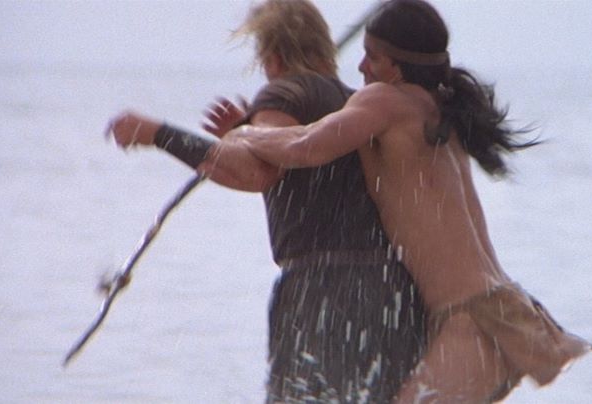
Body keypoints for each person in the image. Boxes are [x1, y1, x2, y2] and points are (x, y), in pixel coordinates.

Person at [216, 0, 592, 402]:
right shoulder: (437, 111)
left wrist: (242, 134)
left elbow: (306, 146)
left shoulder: (384, 101)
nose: (361, 66)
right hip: (501, 311)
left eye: (372, 56)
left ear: (396, 67)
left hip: (471, 321)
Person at [106, 1, 428, 402]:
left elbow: (255, 172)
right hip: (394, 291)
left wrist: (158, 134)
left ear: (272, 57)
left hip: (322, 290)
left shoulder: (284, 92)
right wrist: (245, 130)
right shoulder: (358, 104)